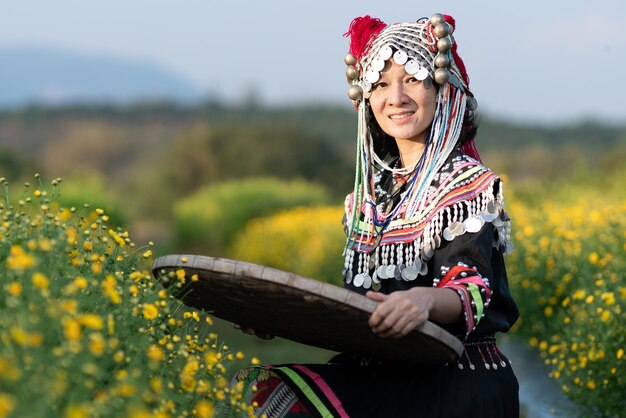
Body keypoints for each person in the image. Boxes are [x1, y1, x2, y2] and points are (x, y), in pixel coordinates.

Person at [223, 13, 520, 417]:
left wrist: (423, 301)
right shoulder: (366, 200)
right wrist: (278, 314)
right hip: (382, 374)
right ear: (366, 99)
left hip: (453, 381)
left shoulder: (468, 186)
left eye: (412, 79)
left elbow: (470, 286)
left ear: (444, 89)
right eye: (380, 84)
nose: (395, 97)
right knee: (259, 393)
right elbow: (362, 310)